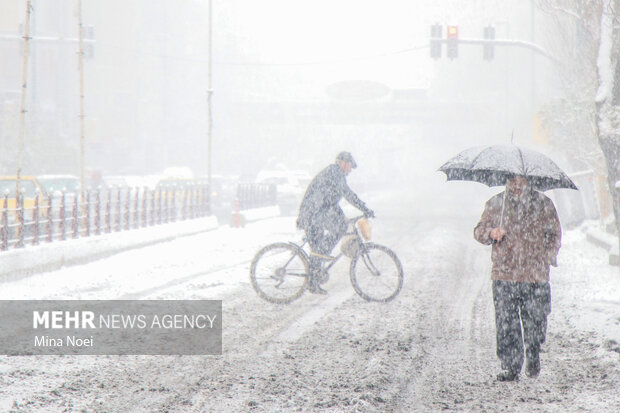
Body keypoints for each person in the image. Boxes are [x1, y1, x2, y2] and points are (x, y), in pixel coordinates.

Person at [474, 175, 561, 382]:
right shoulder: (496, 203)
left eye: (520, 179)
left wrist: (546, 256)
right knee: (506, 322)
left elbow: (555, 234)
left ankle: (533, 352)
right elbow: (479, 231)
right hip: (505, 273)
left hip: (535, 275)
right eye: (512, 179)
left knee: (536, 321)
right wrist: (491, 232)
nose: (516, 184)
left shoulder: (543, 204)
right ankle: (510, 366)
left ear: (528, 180)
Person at [297, 151, 374, 294]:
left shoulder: (334, 174)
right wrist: (364, 208)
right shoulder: (335, 173)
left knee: (317, 249)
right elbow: (347, 194)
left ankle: (313, 282)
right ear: (344, 163)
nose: (350, 171)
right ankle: (322, 254)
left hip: (312, 212)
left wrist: (341, 215)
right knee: (340, 228)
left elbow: (330, 200)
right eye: (350, 167)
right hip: (312, 214)